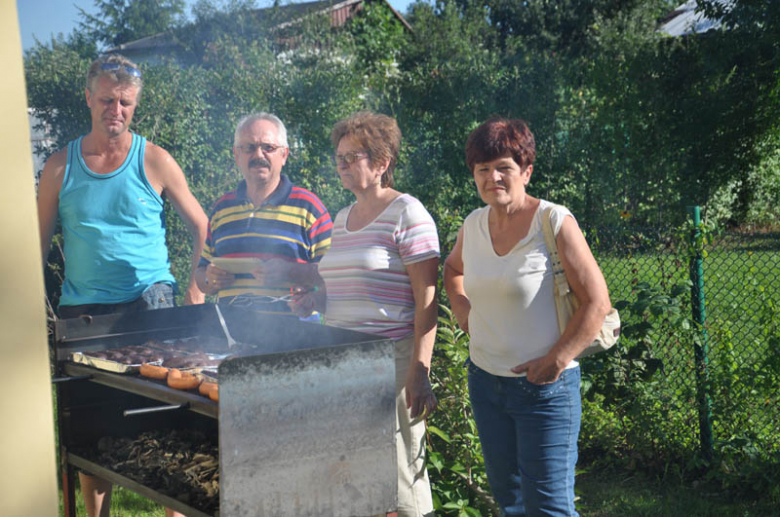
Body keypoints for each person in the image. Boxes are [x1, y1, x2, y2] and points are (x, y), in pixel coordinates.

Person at [37, 54, 208, 517]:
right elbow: (37, 244)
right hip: (83, 312)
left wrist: (195, 292)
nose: (117, 109)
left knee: (175, 422)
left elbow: (201, 226)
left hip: (152, 306)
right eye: (108, 100)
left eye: (126, 102)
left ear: (136, 104)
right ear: (89, 98)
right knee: (91, 429)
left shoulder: (155, 159)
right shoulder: (58, 166)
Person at [443, 116, 612, 516]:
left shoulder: (553, 222)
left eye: (504, 167)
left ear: (527, 171)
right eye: (483, 169)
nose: (493, 177)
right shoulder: (473, 224)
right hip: (485, 383)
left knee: (550, 507)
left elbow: (597, 302)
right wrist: (464, 312)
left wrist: (555, 361)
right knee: (511, 503)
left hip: (545, 391)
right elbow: (453, 271)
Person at [292, 111, 439, 516]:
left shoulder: (408, 213)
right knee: (352, 473)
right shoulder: (341, 219)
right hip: (341, 358)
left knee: (397, 477)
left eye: (352, 156)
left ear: (381, 162)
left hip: (390, 360)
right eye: (338, 156)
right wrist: (314, 302)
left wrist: (419, 370)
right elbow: (345, 294)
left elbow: (428, 302)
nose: (341, 163)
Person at [194, 112, 332, 317]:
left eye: (268, 148)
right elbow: (201, 274)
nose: (258, 155)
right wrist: (211, 279)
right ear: (236, 155)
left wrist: (289, 271)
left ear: (284, 155)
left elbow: (334, 275)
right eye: (249, 147)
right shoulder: (221, 210)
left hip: (296, 340)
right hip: (229, 339)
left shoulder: (309, 207)